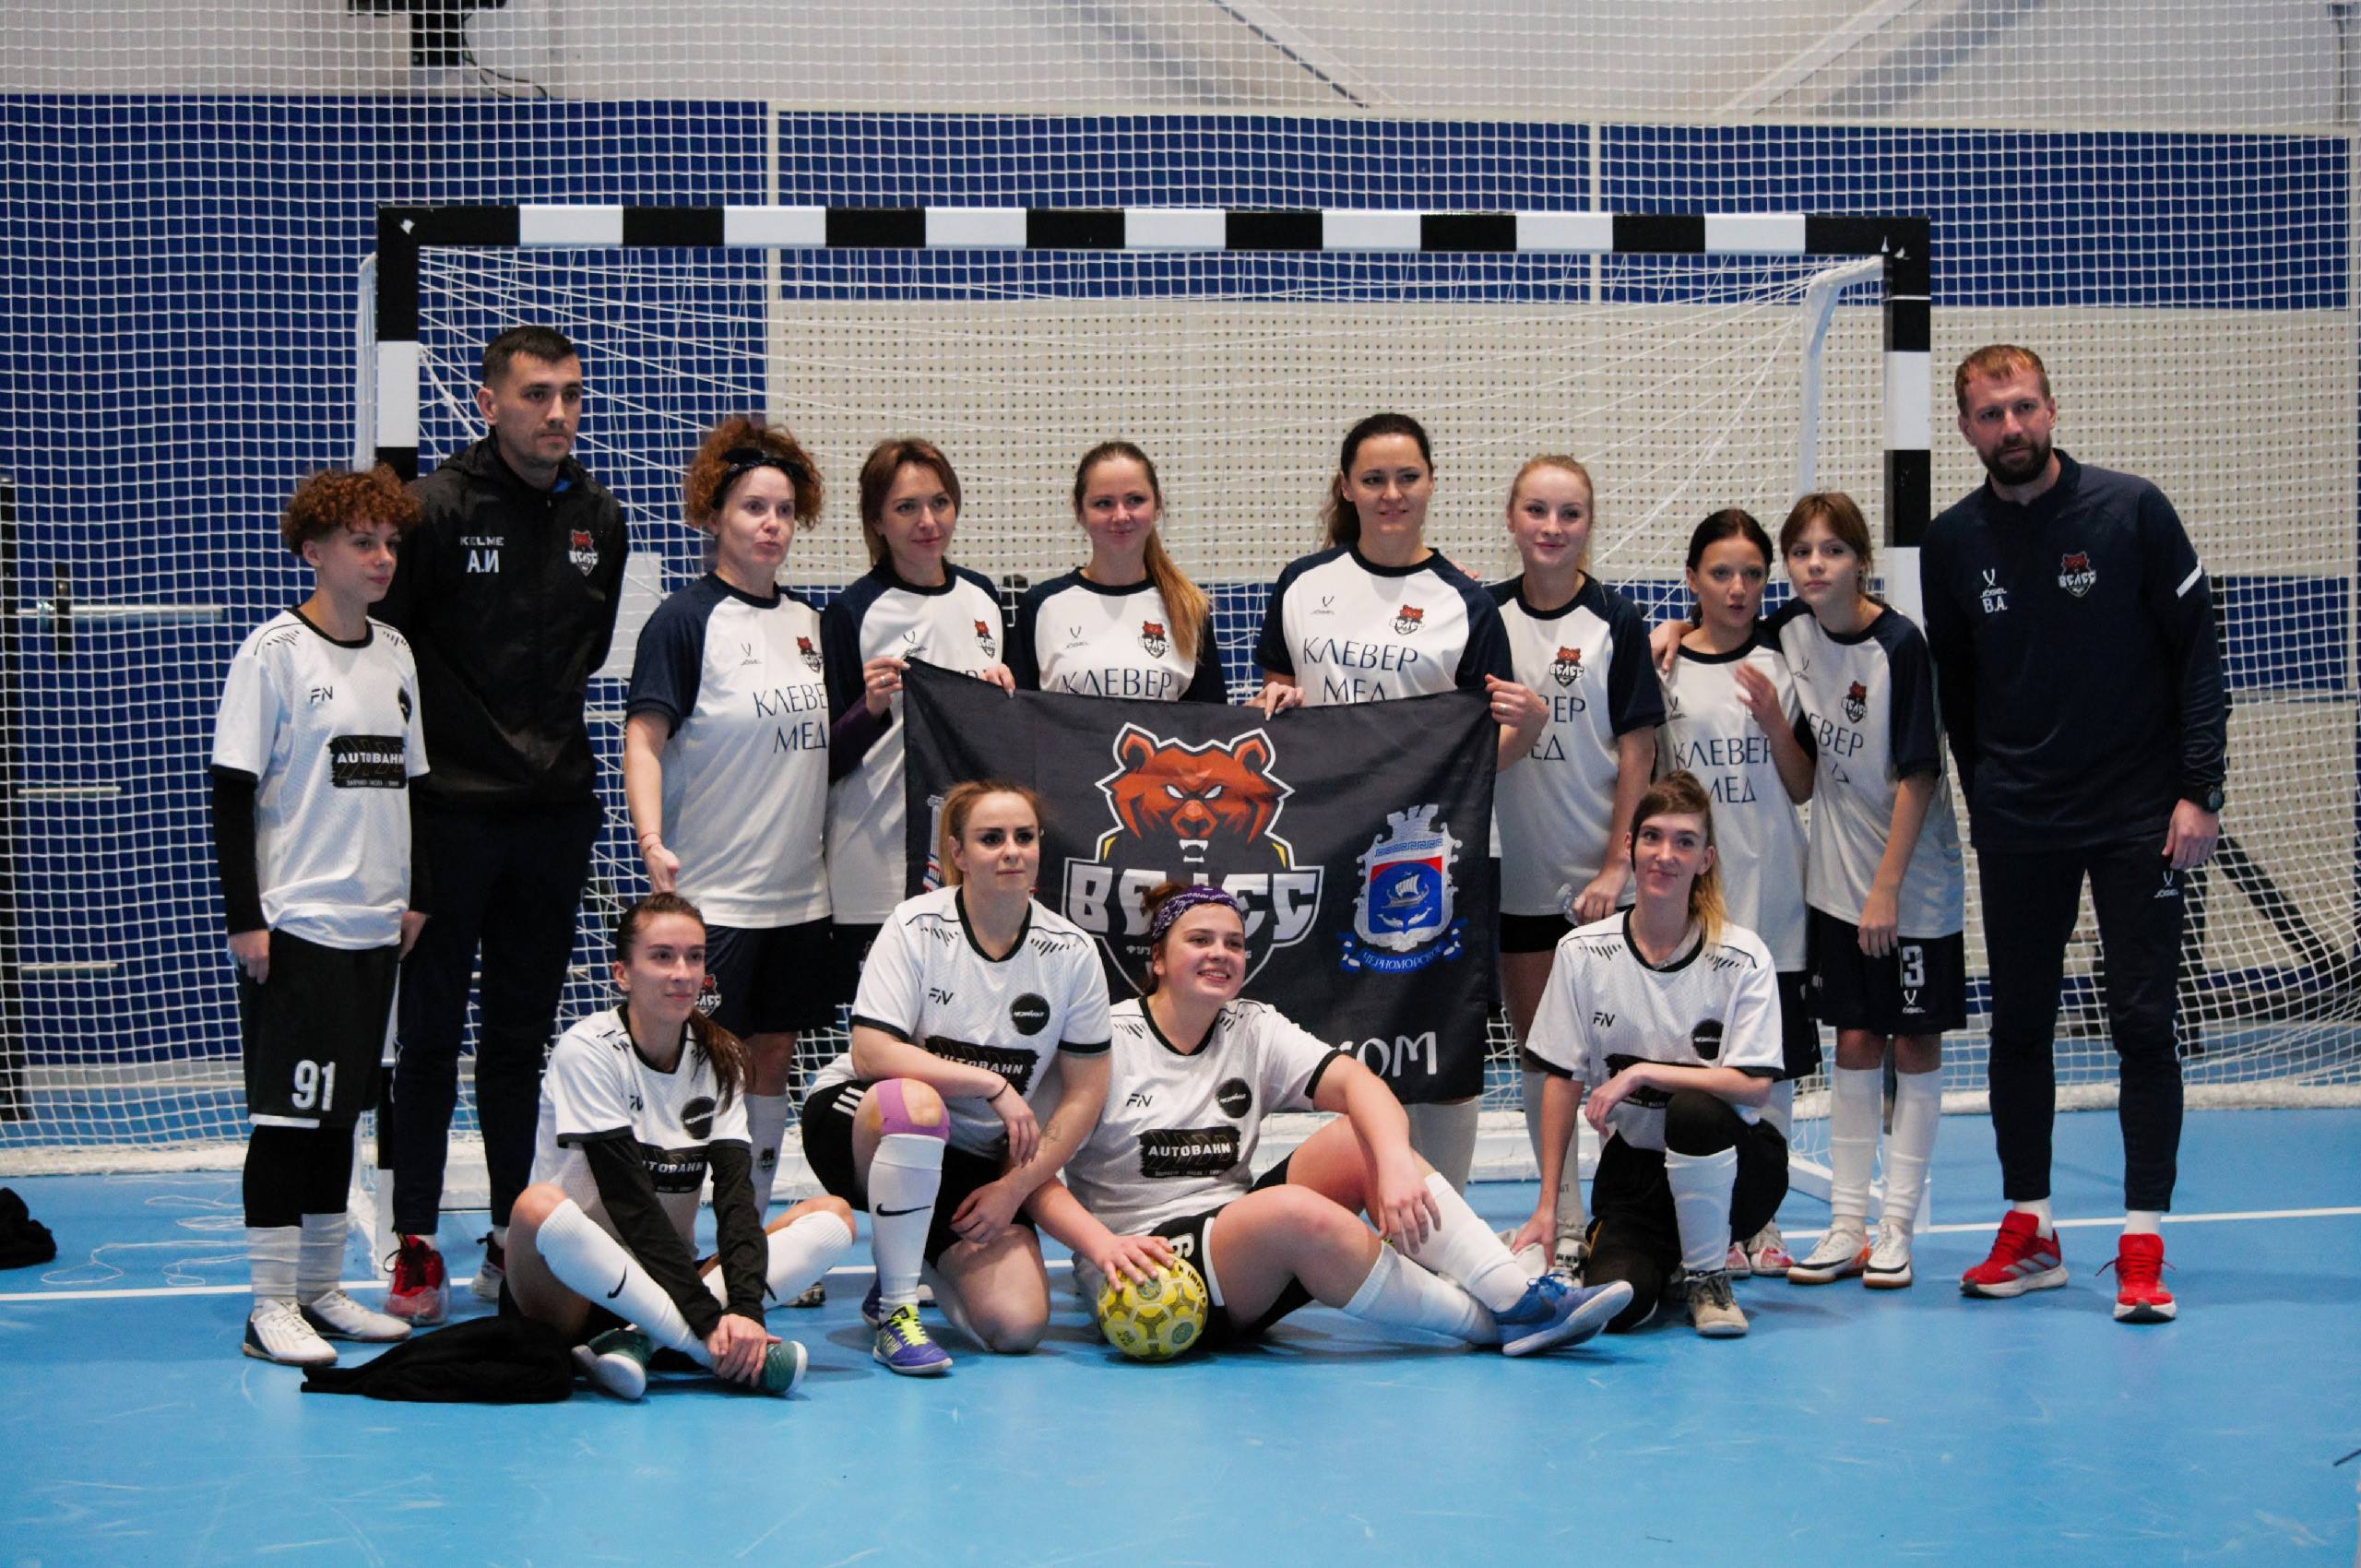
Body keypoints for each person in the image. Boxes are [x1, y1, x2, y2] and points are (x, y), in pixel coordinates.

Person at [1923, 344, 2225, 1323]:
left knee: (2141, 1022)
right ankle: (2031, 1228)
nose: (2009, 427)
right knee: (2017, 1026)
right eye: (1989, 414)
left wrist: (2198, 791)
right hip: (2020, 822)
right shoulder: (1951, 541)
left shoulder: (2131, 510)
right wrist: (1990, 796)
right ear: (1965, 429)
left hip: (2140, 817)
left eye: (2022, 407)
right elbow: (1959, 690)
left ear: (2051, 410)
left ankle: (2141, 1243)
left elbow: (2197, 655)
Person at [1031, 884, 1631, 1357]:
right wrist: (1101, 1245)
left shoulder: (1251, 1025)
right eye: (1200, 940)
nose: (1220, 954)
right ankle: (1489, 1322)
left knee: (1356, 1137)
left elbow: (1359, 1084)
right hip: (1145, 1271)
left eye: (1234, 943)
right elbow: (1031, 1174)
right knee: (1292, 1211)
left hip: (1237, 1253)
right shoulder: (1105, 1040)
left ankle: (1515, 1296)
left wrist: (1393, 1165)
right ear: (1159, 959)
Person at [375, 326, 628, 1322]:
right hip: (448, 819)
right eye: (535, 394)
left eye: (570, 394)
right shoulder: (434, 510)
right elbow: (391, 662)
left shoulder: (599, 516)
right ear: (488, 403)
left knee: (520, 1042)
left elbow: (586, 653)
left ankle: (505, 1235)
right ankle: (414, 1243)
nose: (557, 412)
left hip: (553, 817)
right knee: (430, 1039)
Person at [1252, 413, 1545, 1191]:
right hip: (1327, 847)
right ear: (1347, 487)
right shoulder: (1303, 585)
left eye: (1407, 477)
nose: (1391, 494)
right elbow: (1276, 707)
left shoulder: (1464, 603)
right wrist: (1274, 704)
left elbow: (1484, 753)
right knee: (1342, 1039)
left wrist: (1529, 728)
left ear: (1431, 484)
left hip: (1431, 861)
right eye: (1374, 479)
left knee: (1437, 1040)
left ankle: (1442, 1219)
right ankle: (1358, 1210)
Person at [209, 465, 428, 1365]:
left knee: (342, 1114)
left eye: (389, 543)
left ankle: (320, 1286)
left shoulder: (397, 653)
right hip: (297, 926)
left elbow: (413, 783)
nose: (381, 558)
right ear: (313, 550)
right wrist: (247, 919)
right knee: (289, 1119)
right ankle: (270, 1305)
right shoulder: (273, 653)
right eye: (361, 542)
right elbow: (231, 790)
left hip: (376, 929)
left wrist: (414, 897)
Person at [799, 782, 1112, 1374]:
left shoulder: (1071, 952)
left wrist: (1013, 1188)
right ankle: (895, 1310)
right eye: (991, 839)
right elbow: (871, 1053)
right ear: (958, 854)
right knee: (918, 1105)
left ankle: (909, 1254)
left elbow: (1086, 1092)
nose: (1011, 851)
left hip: (973, 1160)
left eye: (1024, 837)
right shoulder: (916, 926)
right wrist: (991, 1084)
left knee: (1017, 1326)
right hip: (864, 1121)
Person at [504, 894, 856, 1400]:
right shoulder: (588, 1050)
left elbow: (736, 1201)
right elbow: (628, 1201)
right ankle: (701, 1349)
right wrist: (710, 1323)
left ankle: (637, 1340)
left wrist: (745, 1311)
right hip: (570, 1288)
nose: (682, 973)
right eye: (662, 957)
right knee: (537, 1207)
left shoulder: (720, 1056)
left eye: (694, 957)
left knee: (833, 1217)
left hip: (667, 1283)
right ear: (623, 974)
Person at [623, 417, 835, 1220]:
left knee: (772, 1058)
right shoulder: (685, 621)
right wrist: (651, 841)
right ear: (714, 516)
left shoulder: (810, 624)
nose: (771, 525)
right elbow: (644, 738)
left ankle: (747, 1233)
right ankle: (675, 1236)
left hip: (799, 897)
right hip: (715, 895)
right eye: (753, 508)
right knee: (702, 1066)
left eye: (783, 510)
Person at [1767, 493, 1964, 1291]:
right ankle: (1848, 1224)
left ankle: (1896, 1228)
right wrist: (1671, 632)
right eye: (1802, 552)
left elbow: (1919, 777)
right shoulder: (1790, 629)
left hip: (1912, 883)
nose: (1816, 565)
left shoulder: (1900, 646)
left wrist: (1887, 891)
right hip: (1835, 880)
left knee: (1912, 1040)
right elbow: (1721, 630)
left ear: (1861, 561)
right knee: (1854, 1038)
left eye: (1833, 550)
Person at [1513, 772, 1790, 1337]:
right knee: (1620, 1306)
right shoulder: (1582, 953)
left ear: (1706, 859)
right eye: (1653, 837)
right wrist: (1548, 1209)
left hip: (1738, 1171)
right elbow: (1561, 1079)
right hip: (1639, 1174)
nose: (1666, 854)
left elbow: (1755, 1085)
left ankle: (1709, 1277)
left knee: (1692, 1109)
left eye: (1684, 841)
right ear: (1629, 847)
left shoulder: (1742, 956)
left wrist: (1639, 1072)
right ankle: (1672, 1263)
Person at [1487, 456, 1663, 1277]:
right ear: (1512, 518)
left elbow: (1638, 750)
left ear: (1588, 523)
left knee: (1617, 1059)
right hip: (1517, 874)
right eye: (1537, 511)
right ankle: (1560, 1216)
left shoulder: (1615, 620)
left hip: (1599, 881)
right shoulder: (1485, 616)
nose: (1552, 528)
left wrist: (1617, 865)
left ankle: (1633, 1220)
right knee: (1542, 1056)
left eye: (1569, 514)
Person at [1657, 508, 1816, 1277]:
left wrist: (1776, 722)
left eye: (1753, 574)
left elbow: (1804, 783)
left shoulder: (1784, 662)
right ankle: (1709, 1220)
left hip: (1775, 897)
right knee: (1701, 1066)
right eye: (1721, 572)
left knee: (1770, 1069)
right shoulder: (1663, 664)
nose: (1738, 588)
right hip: (1698, 908)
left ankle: (1763, 1217)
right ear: (1692, 579)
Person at [819, 438, 1015, 1004]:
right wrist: (869, 708)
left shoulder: (983, 598)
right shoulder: (853, 611)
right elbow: (822, 759)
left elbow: (1008, 736)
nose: (928, 522)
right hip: (874, 859)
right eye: (906, 507)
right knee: (881, 1028)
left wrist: (1002, 698)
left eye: (939, 503)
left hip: (965, 864)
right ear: (877, 521)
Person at [1008, 441, 1227, 703]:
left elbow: (1210, 721)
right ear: (1079, 512)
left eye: (1135, 500)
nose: (1121, 516)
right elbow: (1017, 716)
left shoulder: (1187, 608)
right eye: (1104, 503)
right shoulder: (1042, 605)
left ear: (1157, 506)